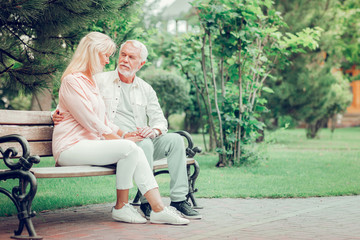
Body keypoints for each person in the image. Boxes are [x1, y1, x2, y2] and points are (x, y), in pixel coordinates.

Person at [54, 39, 202, 219]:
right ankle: (149, 204)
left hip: (132, 137)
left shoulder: (146, 89)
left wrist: (153, 130)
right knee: (144, 144)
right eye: (122, 55)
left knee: (176, 140)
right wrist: (53, 114)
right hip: (112, 141)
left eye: (131, 57)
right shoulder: (97, 80)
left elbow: (160, 121)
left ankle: (179, 200)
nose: (124, 60)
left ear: (141, 63)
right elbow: (73, 104)